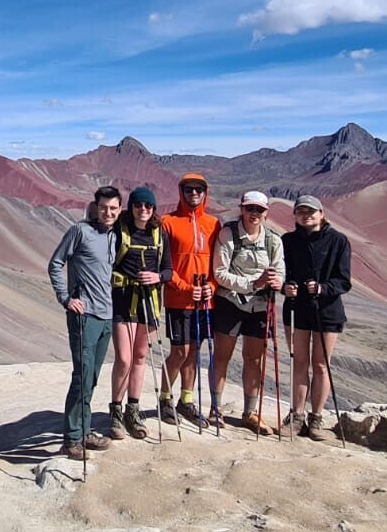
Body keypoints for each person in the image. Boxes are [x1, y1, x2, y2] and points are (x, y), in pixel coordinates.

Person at [48, 186, 123, 461]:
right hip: (85, 316)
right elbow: (55, 263)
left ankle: (85, 431)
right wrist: (66, 298)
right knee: (82, 376)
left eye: (113, 208)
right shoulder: (80, 231)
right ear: (96, 207)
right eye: (103, 207)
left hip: (106, 315)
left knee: (92, 377)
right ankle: (71, 439)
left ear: (119, 209)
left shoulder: (115, 235)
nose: (108, 212)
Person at [211, 191, 286, 434]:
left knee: (254, 360)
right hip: (230, 303)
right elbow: (219, 273)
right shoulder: (228, 234)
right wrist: (253, 283)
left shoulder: (273, 241)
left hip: (260, 307)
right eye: (250, 208)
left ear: (266, 213)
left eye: (259, 210)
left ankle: (250, 413)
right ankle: (215, 408)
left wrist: (277, 282)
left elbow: (280, 272)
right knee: (222, 357)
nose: (254, 214)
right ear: (241, 209)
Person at [281, 195, 352, 439]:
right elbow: (281, 272)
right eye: (301, 211)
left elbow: (344, 280)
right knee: (299, 362)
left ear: (321, 214)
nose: (306, 216)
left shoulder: (338, 241)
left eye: (311, 211)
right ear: (295, 215)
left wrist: (322, 288)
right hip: (296, 308)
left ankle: (316, 418)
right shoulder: (288, 241)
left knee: (321, 364)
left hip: (327, 311)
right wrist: (285, 287)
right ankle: (296, 415)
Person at [108, 187, 171, 440]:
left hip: (149, 302)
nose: (143, 210)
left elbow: (168, 270)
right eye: (138, 205)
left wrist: (157, 277)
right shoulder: (119, 230)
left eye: (148, 206)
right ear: (131, 207)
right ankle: (116, 410)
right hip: (123, 301)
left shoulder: (159, 234)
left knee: (140, 357)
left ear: (153, 209)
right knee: (124, 358)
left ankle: (132, 411)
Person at [158, 173, 219, 427]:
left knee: (194, 349)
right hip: (178, 300)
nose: (193, 193)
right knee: (179, 351)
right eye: (188, 189)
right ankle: (164, 398)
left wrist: (212, 287)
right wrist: (184, 288)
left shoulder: (214, 224)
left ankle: (186, 399)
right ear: (181, 192)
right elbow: (163, 264)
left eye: (198, 189)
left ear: (205, 193)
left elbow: (218, 263)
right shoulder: (167, 222)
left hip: (204, 300)